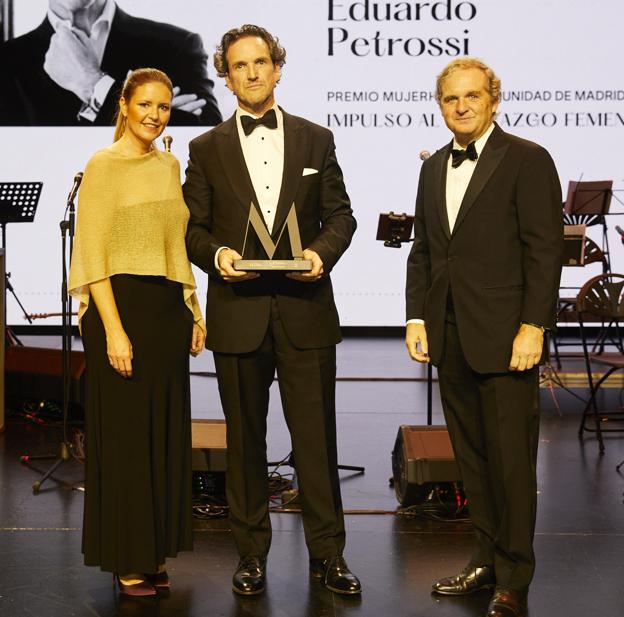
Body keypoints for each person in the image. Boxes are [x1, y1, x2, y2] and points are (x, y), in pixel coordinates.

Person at [183, 24, 361, 596]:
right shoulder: (204, 149)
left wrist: (320, 254)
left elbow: (342, 216)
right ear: (226, 75)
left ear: (278, 69)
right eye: (240, 65)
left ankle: (329, 555)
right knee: (245, 444)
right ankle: (250, 555)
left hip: (305, 308)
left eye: (261, 62)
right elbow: (192, 230)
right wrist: (217, 255)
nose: (252, 73)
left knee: (317, 441)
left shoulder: (316, 139)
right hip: (238, 313)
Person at [405, 58, 563, 617]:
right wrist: (416, 317)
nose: (462, 106)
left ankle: (515, 577)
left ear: (493, 99)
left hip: (506, 337)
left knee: (512, 464)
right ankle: (486, 559)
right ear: (441, 105)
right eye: (451, 99)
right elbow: (425, 251)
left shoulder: (527, 159)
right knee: (472, 461)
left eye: (473, 96)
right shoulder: (431, 170)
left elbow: (545, 250)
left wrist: (534, 325)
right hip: (450, 335)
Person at [69, 67, 206, 596]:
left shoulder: (170, 163)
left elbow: (174, 244)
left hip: (166, 313)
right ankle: (127, 557)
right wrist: (113, 331)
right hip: (119, 311)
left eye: (164, 106)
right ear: (123, 105)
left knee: (162, 438)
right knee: (126, 441)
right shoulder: (102, 165)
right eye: (145, 104)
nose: (155, 115)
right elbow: (93, 255)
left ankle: (152, 552)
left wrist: (193, 309)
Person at [0, 0, 221, 126]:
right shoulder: (7, 61)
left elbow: (206, 143)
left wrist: (94, 84)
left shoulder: (176, 46)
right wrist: (153, 113)